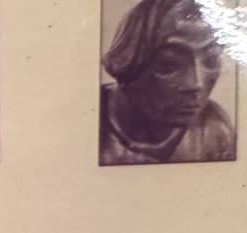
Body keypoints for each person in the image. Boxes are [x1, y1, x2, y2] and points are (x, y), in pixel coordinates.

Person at [99, 0, 236, 165]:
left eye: (211, 60)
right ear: (126, 66)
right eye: (168, 66)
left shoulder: (214, 127)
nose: (196, 84)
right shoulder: (91, 118)